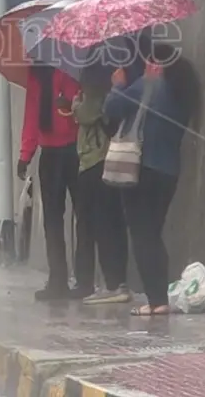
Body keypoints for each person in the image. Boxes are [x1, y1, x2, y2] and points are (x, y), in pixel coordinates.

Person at [103, 42, 200, 317]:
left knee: (142, 235)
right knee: (153, 234)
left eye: (148, 62)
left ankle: (156, 300)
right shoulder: (182, 93)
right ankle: (160, 299)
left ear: (156, 64)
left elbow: (111, 107)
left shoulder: (148, 86)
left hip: (140, 170)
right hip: (168, 172)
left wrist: (118, 84)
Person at [18, 64, 82, 301]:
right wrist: (25, 155)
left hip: (75, 148)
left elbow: (80, 105)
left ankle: (84, 280)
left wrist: (68, 105)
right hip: (50, 153)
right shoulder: (35, 76)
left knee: (84, 215)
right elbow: (31, 116)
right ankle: (58, 279)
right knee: (53, 220)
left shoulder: (72, 68)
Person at [69, 65, 131, 304]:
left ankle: (109, 283)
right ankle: (117, 280)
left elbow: (86, 114)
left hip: (95, 163)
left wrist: (75, 105)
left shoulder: (96, 94)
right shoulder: (109, 90)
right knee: (113, 222)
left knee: (97, 224)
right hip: (107, 163)